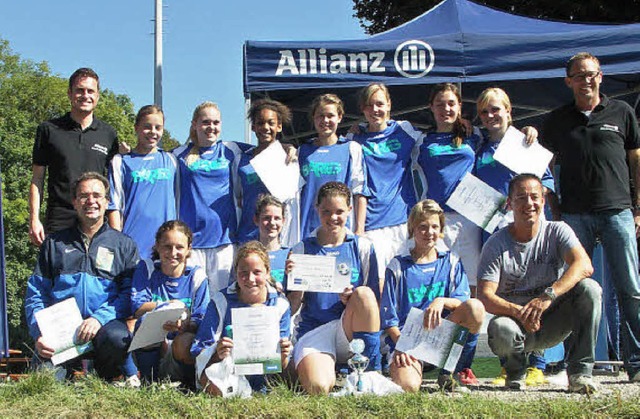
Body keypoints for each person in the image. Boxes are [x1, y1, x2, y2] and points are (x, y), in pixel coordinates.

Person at [541, 52, 640, 382]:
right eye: (579, 75)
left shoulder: (622, 112)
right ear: (568, 81)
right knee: (575, 291)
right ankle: (576, 366)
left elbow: (636, 162)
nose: (586, 80)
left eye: (592, 74)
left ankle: (637, 364)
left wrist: (638, 209)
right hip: (574, 217)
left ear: (601, 77)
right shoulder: (557, 120)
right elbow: (541, 164)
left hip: (618, 212)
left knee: (631, 290)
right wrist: (554, 206)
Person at [478, 174, 601, 393]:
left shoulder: (558, 230)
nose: (529, 204)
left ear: (543, 201)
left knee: (590, 289)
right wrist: (520, 312)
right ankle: (516, 372)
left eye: (535, 197)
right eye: (521, 198)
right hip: (516, 323)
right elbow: (485, 296)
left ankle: (580, 373)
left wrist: (548, 297)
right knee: (499, 328)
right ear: (510, 203)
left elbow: (584, 265)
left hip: (553, 318)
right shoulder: (495, 243)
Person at [474, 87, 556, 386]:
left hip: (526, 230)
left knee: (535, 289)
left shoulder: (524, 142)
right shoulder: (479, 147)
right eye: (484, 111)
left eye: (496, 109)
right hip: (492, 233)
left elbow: (546, 186)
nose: (490, 116)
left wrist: (521, 205)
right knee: (503, 296)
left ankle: (538, 364)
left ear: (509, 111)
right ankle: (510, 365)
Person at [24, 172, 139, 383]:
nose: (91, 201)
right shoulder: (54, 244)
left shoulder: (124, 245)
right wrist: (39, 332)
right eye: (84, 196)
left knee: (118, 339)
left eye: (97, 195)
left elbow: (128, 295)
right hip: (61, 331)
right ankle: (62, 370)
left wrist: (99, 318)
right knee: (44, 383)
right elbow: (36, 293)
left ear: (107, 201)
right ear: (75, 202)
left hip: (104, 327)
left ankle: (104, 374)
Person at [285, 181, 381, 395]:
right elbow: (290, 310)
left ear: (350, 209)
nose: (333, 217)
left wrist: (352, 299)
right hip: (315, 330)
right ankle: (322, 368)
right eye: (326, 211)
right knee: (318, 387)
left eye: (339, 211)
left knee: (364, 294)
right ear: (316, 209)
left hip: (348, 328)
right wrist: (297, 283)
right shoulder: (301, 249)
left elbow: (374, 302)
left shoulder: (363, 247)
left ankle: (371, 371)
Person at [381, 199, 485, 393]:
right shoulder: (398, 266)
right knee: (409, 386)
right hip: (406, 340)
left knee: (476, 308)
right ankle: (407, 369)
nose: (429, 232)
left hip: (439, 339)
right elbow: (389, 321)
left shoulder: (450, 262)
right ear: (412, 229)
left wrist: (441, 301)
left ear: (441, 229)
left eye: (434, 226)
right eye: (422, 227)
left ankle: (453, 370)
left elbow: (463, 302)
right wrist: (402, 346)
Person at [30, 68, 119, 245]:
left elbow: (114, 186)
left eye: (90, 91)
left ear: (98, 96)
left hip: (96, 220)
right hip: (59, 221)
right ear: (70, 94)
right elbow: (37, 179)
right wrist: (34, 219)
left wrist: (115, 228)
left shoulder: (109, 134)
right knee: (57, 273)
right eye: (80, 90)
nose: (85, 95)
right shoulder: (49, 129)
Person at [191, 241, 292, 395]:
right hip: (227, 370)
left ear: (267, 272)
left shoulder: (280, 304)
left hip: (264, 377)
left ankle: (255, 391)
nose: (250, 279)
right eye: (243, 273)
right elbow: (200, 349)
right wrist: (217, 352)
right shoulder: (221, 300)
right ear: (235, 273)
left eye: (257, 272)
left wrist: (283, 355)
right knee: (210, 381)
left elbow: (281, 365)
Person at [346, 83, 422, 279]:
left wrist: (464, 126)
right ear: (363, 109)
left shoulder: (404, 130)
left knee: (405, 280)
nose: (375, 110)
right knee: (378, 283)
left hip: (403, 221)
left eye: (379, 104)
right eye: (369, 105)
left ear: (389, 105)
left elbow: (434, 142)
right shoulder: (354, 139)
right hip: (371, 224)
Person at [173, 102, 249, 294]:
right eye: (206, 122)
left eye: (216, 122)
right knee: (193, 300)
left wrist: (289, 147)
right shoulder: (177, 155)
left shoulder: (231, 150)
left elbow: (266, 150)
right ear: (194, 124)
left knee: (222, 298)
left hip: (224, 241)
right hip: (192, 244)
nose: (211, 127)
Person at [130, 220, 209, 387]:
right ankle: (148, 380)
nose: (173, 252)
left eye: (179, 247)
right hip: (152, 345)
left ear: (188, 249)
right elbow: (137, 307)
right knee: (146, 321)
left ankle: (185, 383)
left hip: (178, 345)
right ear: (158, 246)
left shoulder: (196, 276)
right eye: (167, 246)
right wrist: (170, 306)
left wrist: (185, 324)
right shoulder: (148, 268)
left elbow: (201, 317)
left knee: (187, 340)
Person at [108, 105, 178, 259]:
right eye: (147, 127)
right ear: (136, 128)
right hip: (133, 246)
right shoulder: (121, 162)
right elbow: (114, 205)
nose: (153, 132)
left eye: (158, 127)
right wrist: (118, 243)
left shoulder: (171, 160)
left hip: (167, 247)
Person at [298, 94, 368, 239]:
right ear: (313, 118)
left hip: (341, 231)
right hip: (308, 231)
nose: (325, 121)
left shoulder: (351, 149)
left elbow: (359, 191)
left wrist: (359, 230)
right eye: (320, 116)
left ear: (340, 117)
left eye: (330, 116)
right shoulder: (302, 151)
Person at [235, 99, 298, 246]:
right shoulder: (241, 160)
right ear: (253, 127)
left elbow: (292, 201)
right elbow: (237, 198)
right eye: (260, 123)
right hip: (247, 235)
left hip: (277, 237)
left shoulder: (288, 158)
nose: (266, 127)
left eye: (271, 123)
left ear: (279, 126)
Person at [253, 194, 289, 287]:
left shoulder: (291, 255)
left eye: (277, 218)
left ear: (283, 221)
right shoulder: (248, 255)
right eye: (266, 218)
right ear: (256, 220)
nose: (272, 223)